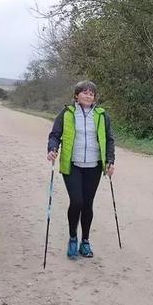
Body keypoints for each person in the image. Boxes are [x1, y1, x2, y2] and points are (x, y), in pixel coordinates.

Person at [47, 80, 115, 260]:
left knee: (87, 204)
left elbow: (109, 139)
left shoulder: (102, 115)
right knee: (76, 201)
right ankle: (72, 238)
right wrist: (52, 149)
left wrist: (110, 160)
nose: (88, 95)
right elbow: (55, 135)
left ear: (95, 98)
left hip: (94, 166)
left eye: (91, 93)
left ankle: (85, 241)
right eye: (84, 92)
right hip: (73, 165)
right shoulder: (67, 114)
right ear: (76, 96)